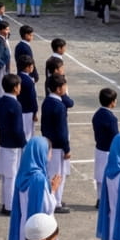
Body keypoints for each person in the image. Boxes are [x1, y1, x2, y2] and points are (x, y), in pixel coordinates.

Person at [8, 137, 61, 240]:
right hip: (40, 230)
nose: (51, 155)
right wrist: (53, 190)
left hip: (25, 225)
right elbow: (47, 209)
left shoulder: (22, 174)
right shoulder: (39, 179)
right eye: (49, 151)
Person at [0, 74, 26, 215]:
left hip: (3, 141)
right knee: (11, 177)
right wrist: (24, 144)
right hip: (12, 145)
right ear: (15, 88)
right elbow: (18, 129)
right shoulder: (15, 104)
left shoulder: (1, 102)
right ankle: (10, 206)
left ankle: (5, 202)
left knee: (6, 177)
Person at [40, 74, 71, 212]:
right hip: (58, 145)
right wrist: (67, 148)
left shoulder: (47, 102)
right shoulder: (59, 106)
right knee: (59, 174)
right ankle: (56, 201)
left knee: (52, 171)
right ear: (59, 89)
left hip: (48, 142)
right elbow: (62, 130)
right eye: (64, 86)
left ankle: (54, 198)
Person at [91, 88, 119, 205]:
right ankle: (107, 199)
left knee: (99, 175)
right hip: (109, 150)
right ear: (112, 102)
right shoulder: (111, 118)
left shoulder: (97, 115)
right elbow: (115, 136)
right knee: (109, 175)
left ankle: (99, 198)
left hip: (99, 148)